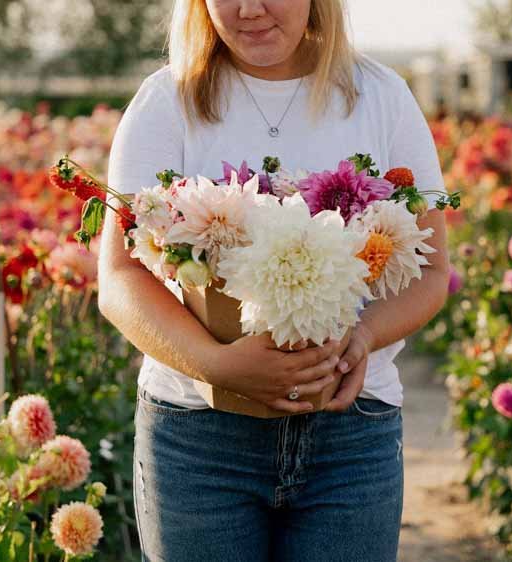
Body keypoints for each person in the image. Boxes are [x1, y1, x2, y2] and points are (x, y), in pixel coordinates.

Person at [97, 0, 451, 560]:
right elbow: (120, 277)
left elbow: (431, 273)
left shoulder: (381, 99)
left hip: (349, 434)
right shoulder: (166, 103)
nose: (248, 9)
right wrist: (217, 366)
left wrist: (360, 340)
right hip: (199, 439)